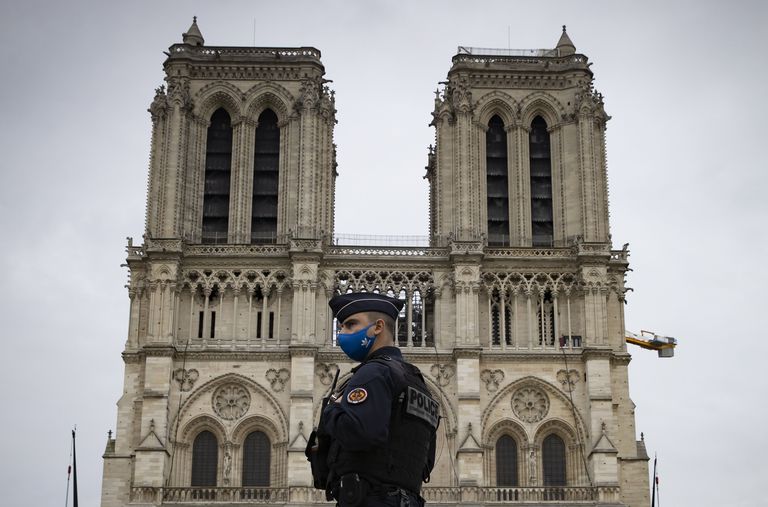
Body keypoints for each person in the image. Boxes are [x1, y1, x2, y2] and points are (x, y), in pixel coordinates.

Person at [321, 292, 439, 507]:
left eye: (350, 325)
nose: (341, 334)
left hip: (370, 498)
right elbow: (425, 463)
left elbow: (360, 433)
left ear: (378, 327)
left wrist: (331, 410)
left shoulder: (374, 372)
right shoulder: (418, 383)